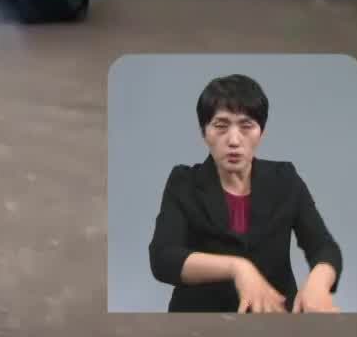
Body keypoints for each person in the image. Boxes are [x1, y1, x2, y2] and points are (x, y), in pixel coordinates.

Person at [147, 74, 343, 313]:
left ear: (262, 131)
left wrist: (318, 283)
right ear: (204, 132)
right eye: (220, 126)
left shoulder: (285, 179)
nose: (234, 140)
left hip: (274, 320)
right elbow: (163, 257)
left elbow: (324, 246)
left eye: (246, 125)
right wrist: (237, 267)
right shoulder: (184, 182)